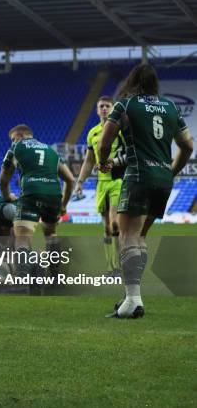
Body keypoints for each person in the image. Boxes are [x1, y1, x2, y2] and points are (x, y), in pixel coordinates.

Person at [99, 64, 193, 319]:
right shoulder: (171, 107)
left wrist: (103, 161)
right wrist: (170, 172)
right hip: (163, 179)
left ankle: (132, 300)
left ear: (132, 81)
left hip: (138, 176)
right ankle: (132, 298)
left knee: (127, 235)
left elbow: (104, 141)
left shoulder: (125, 105)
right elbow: (187, 147)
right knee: (140, 237)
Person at [0, 124, 74, 291]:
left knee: (23, 237)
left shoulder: (16, 147)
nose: (12, 142)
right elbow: (70, 179)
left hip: (30, 194)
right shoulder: (52, 151)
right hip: (53, 196)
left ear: (19, 136)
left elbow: (3, 180)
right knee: (51, 234)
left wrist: (7, 197)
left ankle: (21, 281)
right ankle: (56, 280)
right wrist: (63, 205)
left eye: (12, 139)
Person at [75, 96, 126, 276]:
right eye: (101, 106)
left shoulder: (120, 131)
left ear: (112, 109)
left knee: (114, 223)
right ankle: (111, 267)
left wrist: (114, 163)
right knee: (106, 228)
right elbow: (89, 161)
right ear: (97, 110)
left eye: (107, 106)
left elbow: (128, 156)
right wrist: (80, 182)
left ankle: (121, 266)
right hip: (101, 184)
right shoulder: (92, 133)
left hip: (117, 181)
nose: (104, 108)